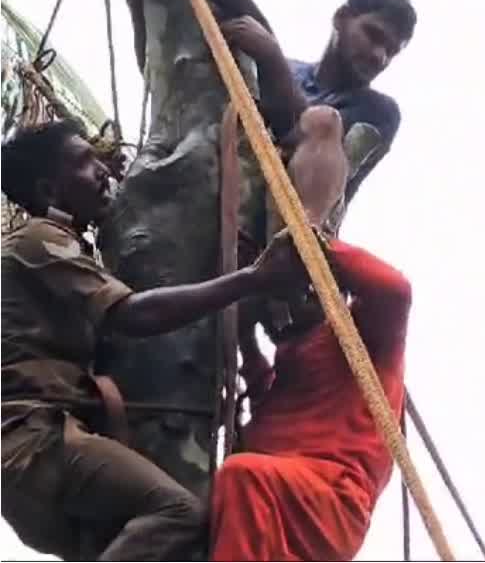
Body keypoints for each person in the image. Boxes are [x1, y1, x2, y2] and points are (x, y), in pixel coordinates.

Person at [0, 120, 303, 561]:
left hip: (37, 454)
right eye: (85, 163)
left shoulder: (61, 252)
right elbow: (134, 314)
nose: (103, 170)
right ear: (49, 192)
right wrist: (252, 280)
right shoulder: (39, 241)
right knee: (179, 513)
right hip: (34, 443)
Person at [209, 237, 411, 561]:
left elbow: (394, 289)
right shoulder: (292, 362)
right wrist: (246, 336)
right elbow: (275, 416)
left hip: (330, 500)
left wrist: (310, 243)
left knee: (242, 477)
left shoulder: (362, 337)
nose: (280, 315)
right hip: (288, 504)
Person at [220, 0, 417, 234]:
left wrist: (270, 57)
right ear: (341, 18)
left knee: (324, 120)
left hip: (296, 228)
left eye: (391, 51)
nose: (380, 56)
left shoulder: (379, 112)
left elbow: (304, 134)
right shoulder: (290, 71)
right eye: (373, 35)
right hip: (232, 200)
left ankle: (295, 248)